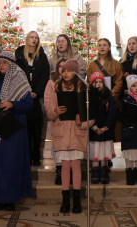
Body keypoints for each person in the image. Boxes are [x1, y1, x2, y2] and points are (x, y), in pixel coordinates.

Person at [0, 51, 33, 211]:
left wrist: (12, 104)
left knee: (12, 165)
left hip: (13, 131)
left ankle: (11, 199)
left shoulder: (21, 81)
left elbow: (29, 105)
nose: (1, 65)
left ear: (12, 65)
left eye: (4, 63)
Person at [47, 60, 93, 214]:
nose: (65, 73)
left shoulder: (83, 88)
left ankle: (77, 200)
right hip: (61, 132)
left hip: (76, 132)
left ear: (75, 72)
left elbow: (91, 115)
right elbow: (49, 112)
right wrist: (55, 111)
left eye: (68, 70)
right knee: (65, 165)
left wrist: (83, 123)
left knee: (76, 165)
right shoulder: (56, 87)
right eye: (63, 70)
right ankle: (65, 200)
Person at [15, 31, 51, 166]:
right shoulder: (19, 55)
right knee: (25, 130)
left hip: (36, 98)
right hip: (22, 96)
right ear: (27, 39)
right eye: (32, 37)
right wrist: (24, 91)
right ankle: (26, 156)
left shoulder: (42, 56)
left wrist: (36, 91)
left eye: (36, 37)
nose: (34, 39)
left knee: (36, 130)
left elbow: (45, 75)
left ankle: (36, 157)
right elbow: (16, 74)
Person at [89, 73, 116, 184]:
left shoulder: (109, 97)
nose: (98, 84)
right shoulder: (89, 97)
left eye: (100, 82)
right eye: (96, 82)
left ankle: (104, 171)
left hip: (106, 129)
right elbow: (89, 113)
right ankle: (95, 171)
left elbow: (111, 113)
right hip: (93, 128)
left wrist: (106, 127)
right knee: (95, 151)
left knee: (104, 150)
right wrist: (94, 128)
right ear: (92, 84)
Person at [45, 58, 67, 185]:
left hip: (70, 120)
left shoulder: (74, 83)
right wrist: (53, 111)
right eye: (60, 66)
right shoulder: (51, 82)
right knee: (58, 146)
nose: (63, 69)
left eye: (65, 66)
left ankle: (68, 171)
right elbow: (47, 100)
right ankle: (59, 171)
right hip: (57, 118)